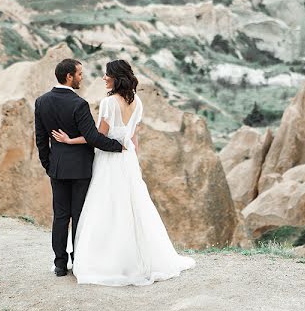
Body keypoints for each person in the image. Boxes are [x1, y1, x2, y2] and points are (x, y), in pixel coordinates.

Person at [51, 59, 195, 286]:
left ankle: (107, 260)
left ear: (116, 78)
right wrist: (133, 163)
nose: (103, 78)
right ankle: (135, 259)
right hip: (127, 160)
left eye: (107, 75)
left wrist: (70, 140)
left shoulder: (109, 103)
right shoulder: (137, 102)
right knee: (132, 208)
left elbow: (97, 138)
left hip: (109, 160)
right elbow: (134, 139)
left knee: (106, 208)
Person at [34, 58, 124, 277]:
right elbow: (93, 137)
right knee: (79, 216)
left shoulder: (41, 102)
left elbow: (40, 138)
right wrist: (118, 146)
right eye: (80, 74)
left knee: (60, 216)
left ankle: (59, 264)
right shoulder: (78, 104)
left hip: (57, 168)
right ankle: (78, 260)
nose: (81, 78)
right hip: (81, 169)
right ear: (69, 77)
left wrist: (48, 164)